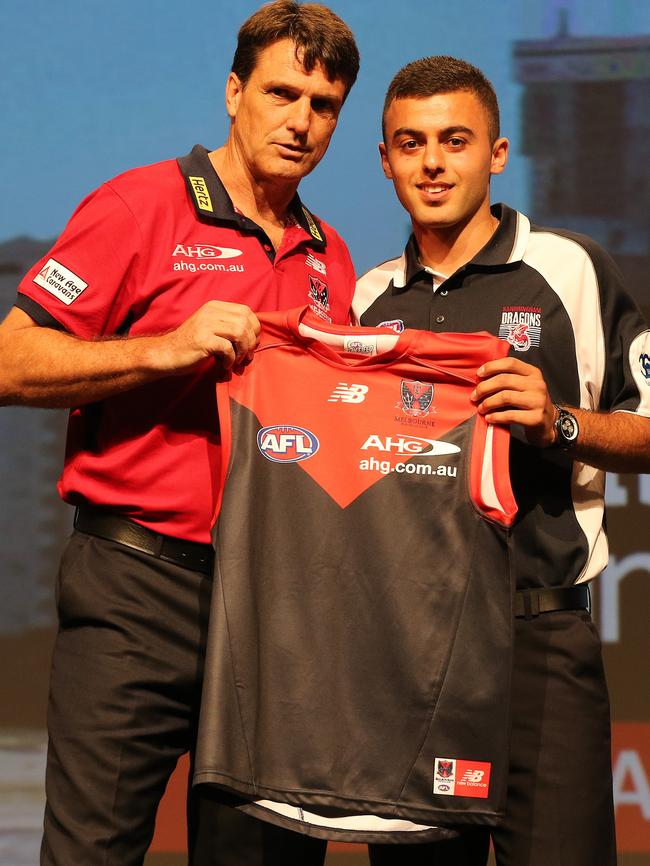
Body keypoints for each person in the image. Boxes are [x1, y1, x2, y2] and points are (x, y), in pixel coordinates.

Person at [0, 3, 359, 865]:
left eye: (324, 104)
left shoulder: (331, 257)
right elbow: (12, 361)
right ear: (235, 93)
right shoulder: (138, 205)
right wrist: (169, 348)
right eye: (281, 92)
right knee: (93, 851)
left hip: (274, 609)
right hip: (137, 588)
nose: (301, 120)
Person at [353, 55, 650, 866]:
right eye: (409, 144)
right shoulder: (364, 301)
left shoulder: (573, 270)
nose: (432, 163)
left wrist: (556, 423)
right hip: (408, 656)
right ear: (384, 161)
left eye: (455, 140)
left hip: (542, 643)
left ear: (497, 151)